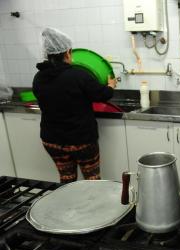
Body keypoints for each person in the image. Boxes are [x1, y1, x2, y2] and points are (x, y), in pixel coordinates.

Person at [32, 27, 117, 183]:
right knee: (92, 179)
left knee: (67, 179)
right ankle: (92, 207)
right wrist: (111, 85)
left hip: (52, 141)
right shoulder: (78, 75)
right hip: (81, 140)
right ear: (67, 53)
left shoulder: (39, 77)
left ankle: (70, 207)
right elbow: (102, 95)